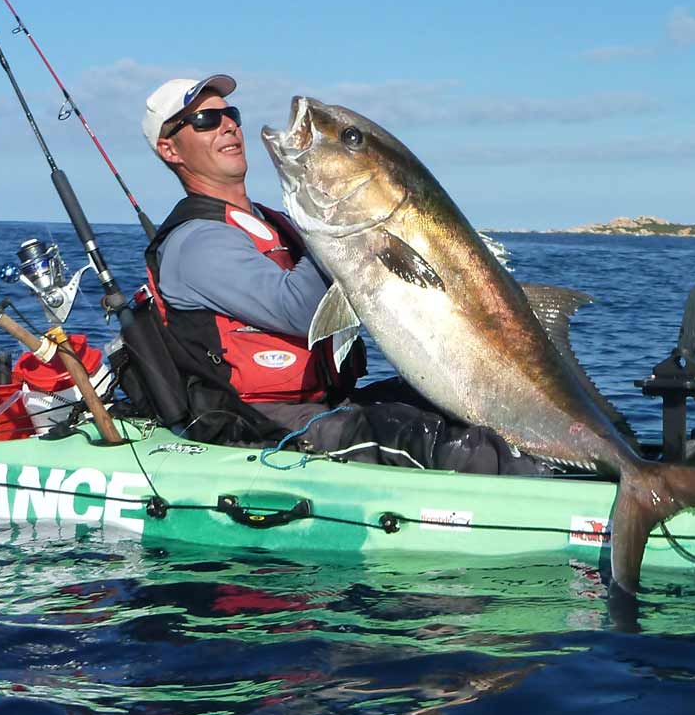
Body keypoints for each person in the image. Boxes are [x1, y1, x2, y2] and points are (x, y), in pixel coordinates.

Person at [139, 74, 536, 474]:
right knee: (440, 441)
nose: (229, 125)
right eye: (206, 120)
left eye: (231, 114)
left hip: (327, 403)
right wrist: (345, 226)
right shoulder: (196, 242)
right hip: (261, 421)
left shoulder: (276, 222)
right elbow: (301, 310)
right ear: (170, 149)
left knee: (472, 413)